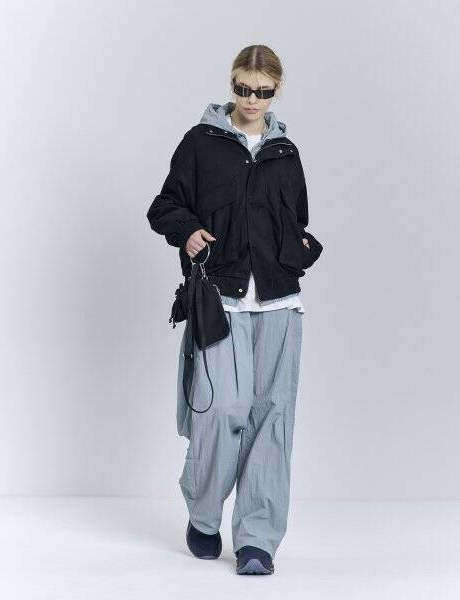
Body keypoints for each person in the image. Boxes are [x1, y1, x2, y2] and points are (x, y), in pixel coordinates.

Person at [147, 44, 323, 575]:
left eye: (263, 91)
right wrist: (188, 232)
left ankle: (257, 540)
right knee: (221, 409)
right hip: (219, 297)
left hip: (278, 300)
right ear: (232, 83)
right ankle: (203, 515)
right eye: (243, 88)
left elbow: (297, 217)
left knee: (272, 418)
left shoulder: (285, 151)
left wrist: (299, 248)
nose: (251, 99)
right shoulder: (201, 142)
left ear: (277, 90)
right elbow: (164, 207)